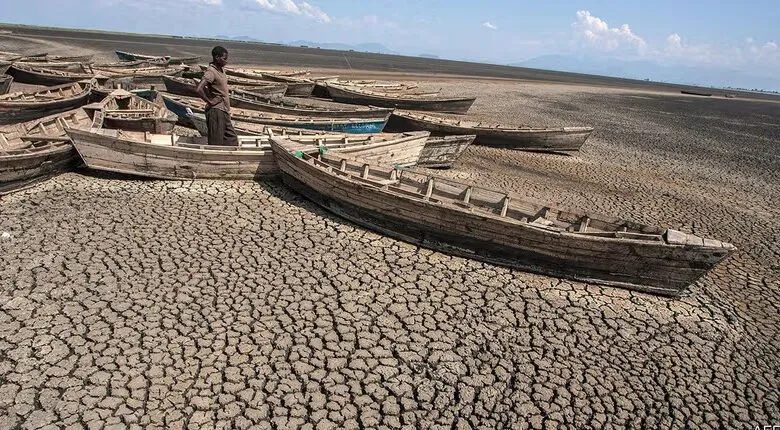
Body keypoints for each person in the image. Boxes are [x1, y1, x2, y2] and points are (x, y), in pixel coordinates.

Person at [196, 46, 238, 146]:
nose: (226, 61)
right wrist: (209, 101)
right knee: (216, 141)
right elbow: (199, 89)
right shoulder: (211, 71)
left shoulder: (221, 70)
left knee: (231, 139)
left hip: (224, 110)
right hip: (216, 111)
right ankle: (213, 160)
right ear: (217, 57)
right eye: (224, 59)